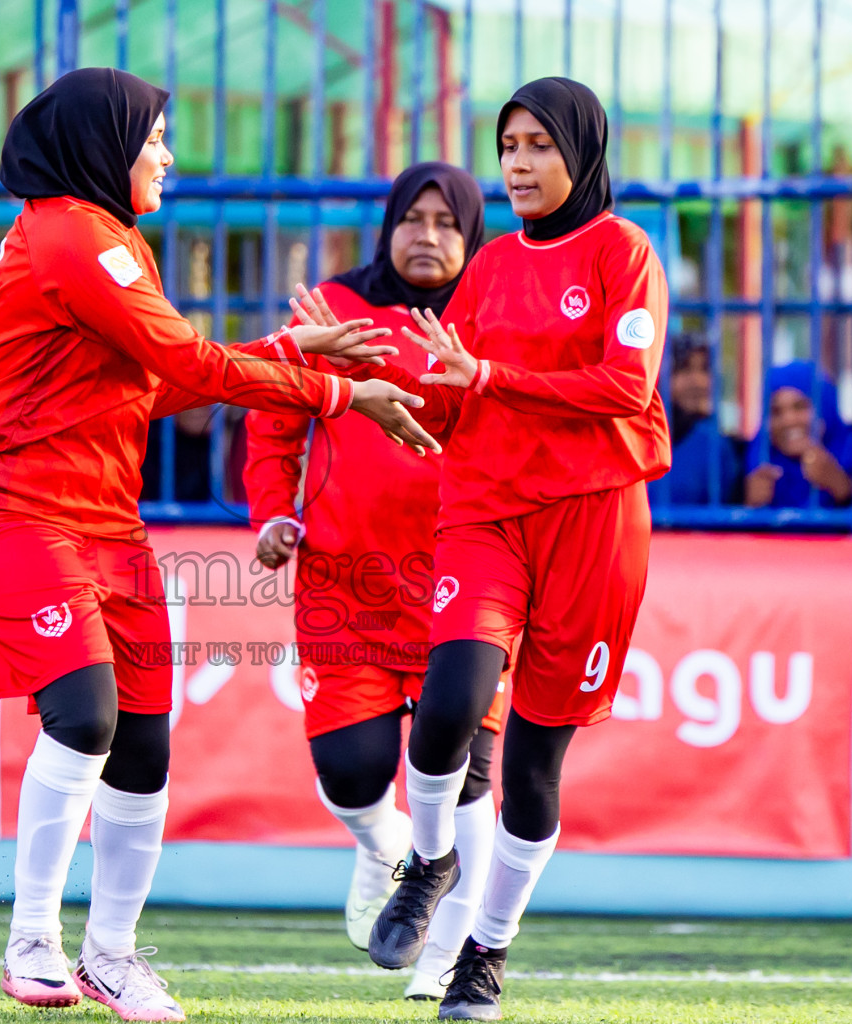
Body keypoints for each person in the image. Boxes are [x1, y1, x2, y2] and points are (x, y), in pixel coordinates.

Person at [0, 68, 437, 1023]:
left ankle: (112, 956)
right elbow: (184, 361)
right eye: (154, 135)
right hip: (10, 514)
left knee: (145, 751)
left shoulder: (110, 241)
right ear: (101, 143)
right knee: (83, 717)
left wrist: (297, 354)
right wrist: (336, 393)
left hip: (107, 523)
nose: (167, 154)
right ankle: (33, 939)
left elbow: (152, 390)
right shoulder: (71, 232)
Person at [297, 77, 669, 1020]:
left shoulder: (623, 253)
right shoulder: (493, 264)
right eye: (508, 145)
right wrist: (363, 371)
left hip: (592, 522)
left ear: (582, 150)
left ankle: (484, 954)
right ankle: (428, 865)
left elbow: (626, 389)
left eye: (539, 144)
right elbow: (458, 391)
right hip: (487, 511)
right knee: (452, 702)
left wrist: (490, 376)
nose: (518, 163)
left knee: (537, 766)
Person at [243, 162, 504, 1000]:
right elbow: (275, 414)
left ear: (471, 235)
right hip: (343, 584)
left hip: (464, 582)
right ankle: (382, 851)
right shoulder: (334, 309)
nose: (428, 236)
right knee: (353, 774)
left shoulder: (489, 320)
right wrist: (273, 514)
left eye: (448, 223)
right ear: (389, 224)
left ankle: (444, 963)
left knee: (465, 777)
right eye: (413, 218)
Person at [743, 362, 852, 509]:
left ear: (825, 407)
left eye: (800, 407)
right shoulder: (755, 462)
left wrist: (842, 488)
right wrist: (749, 508)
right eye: (776, 411)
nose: (788, 421)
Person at [648, 334, 740, 505]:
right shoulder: (637, 434)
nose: (697, 381)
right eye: (683, 369)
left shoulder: (716, 446)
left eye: (705, 369)